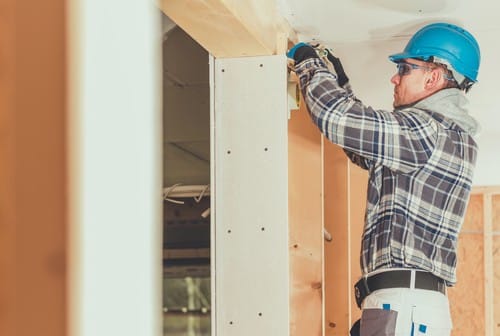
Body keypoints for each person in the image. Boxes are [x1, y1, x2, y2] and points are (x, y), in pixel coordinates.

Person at [287, 22, 480, 336]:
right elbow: (361, 145)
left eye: (404, 68)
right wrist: (339, 83)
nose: (395, 77)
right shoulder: (441, 136)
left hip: (404, 305)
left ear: (433, 76)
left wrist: (308, 61)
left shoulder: (425, 132)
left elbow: (336, 118)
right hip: (407, 305)